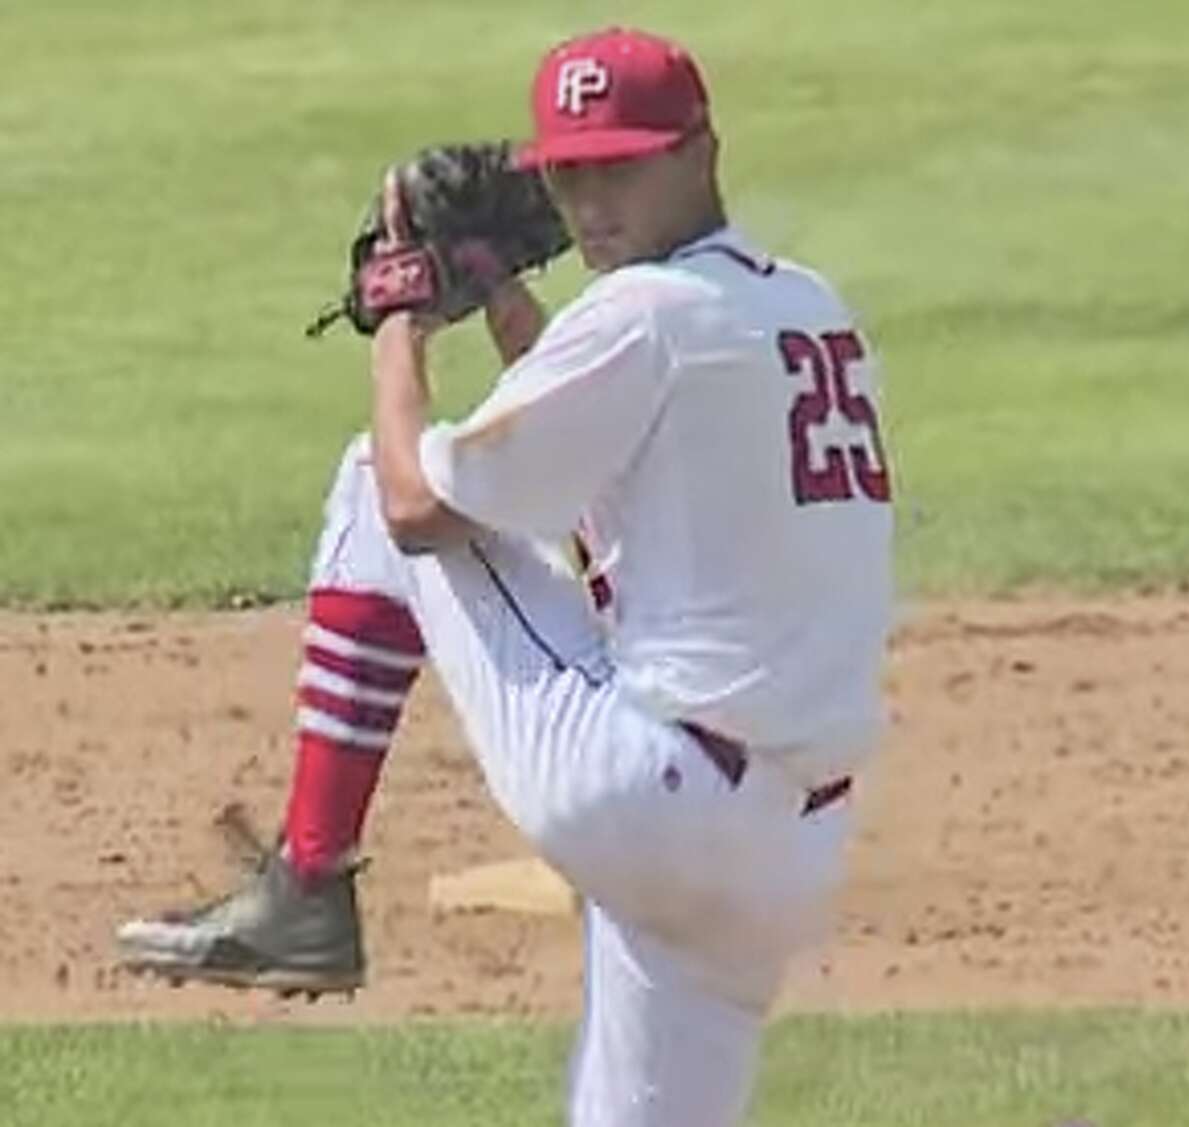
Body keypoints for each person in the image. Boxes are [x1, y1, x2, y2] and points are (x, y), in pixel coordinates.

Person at [119, 26, 893, 1126]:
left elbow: (418, 505)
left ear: (699, 150)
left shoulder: (640, 314)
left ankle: (309, 880)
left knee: (375, 481)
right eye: (570, 172)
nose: (591, 203)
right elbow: (603, 465)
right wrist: (500, 307)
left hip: (647, 794)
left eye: (620, 164)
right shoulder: (804, 306)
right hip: (782, 857)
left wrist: (398, 324)